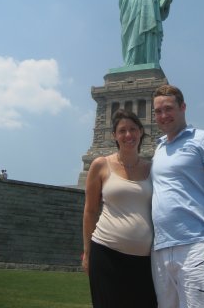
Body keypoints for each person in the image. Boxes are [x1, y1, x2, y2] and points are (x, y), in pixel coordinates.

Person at [151, 85, 204, 308]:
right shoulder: (158, 148)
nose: (163, 116)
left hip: (197, 246)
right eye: (158, 111)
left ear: (183, 107)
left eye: (168, 109)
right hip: (161, 249)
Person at [82, 109, 157, 308]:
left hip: (145, 259)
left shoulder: (153, 168)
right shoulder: (100, 164)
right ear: (114, 135)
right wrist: (87, 253)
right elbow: (90, 211)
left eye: (133, 129)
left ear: (141, 132)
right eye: (122, 130)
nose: (128, 135)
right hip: (105, 253)